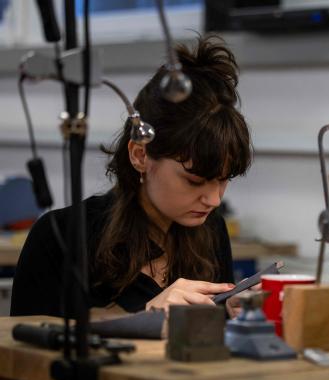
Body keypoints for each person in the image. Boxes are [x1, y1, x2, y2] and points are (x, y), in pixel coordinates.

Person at [10, 35, 252, 317]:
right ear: (140, 155)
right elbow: (25, 353)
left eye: (224, 180)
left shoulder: (210, 230)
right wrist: (146, 320)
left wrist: (235, 316)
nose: (212, 199)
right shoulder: (60, 238)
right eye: (194, 180)